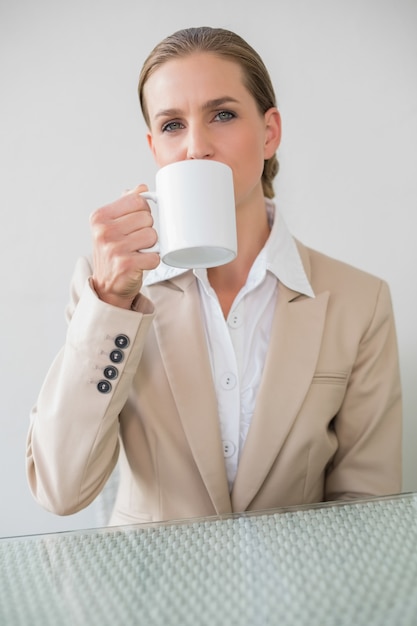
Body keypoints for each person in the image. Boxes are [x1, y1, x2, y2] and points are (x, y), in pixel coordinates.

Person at [26, 26, 402, 526]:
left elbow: (369, 513)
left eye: (222, 115)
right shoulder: (107, 294)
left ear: (269, 133)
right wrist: (112, 303)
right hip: (146, 598)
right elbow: (59, 489)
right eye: (172, 125)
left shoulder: (360, 302)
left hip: (300, 600)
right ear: (155, 148)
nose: (195, 147)